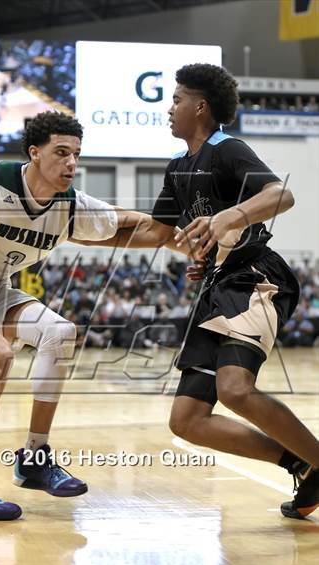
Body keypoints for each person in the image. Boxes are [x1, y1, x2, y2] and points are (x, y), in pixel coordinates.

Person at [0, 111, 183, 521]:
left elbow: (138, 228)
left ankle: (34, 458)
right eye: (61, 152)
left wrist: (188, 242)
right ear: (34, 153)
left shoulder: (70, 208)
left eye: (77, 155)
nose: (71, 163)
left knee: (60, 333)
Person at [82, 64, 318, 520]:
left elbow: (280, 195)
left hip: (254, 277)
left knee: (234, 389)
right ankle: (300, 461)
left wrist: (233, 217)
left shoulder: (227, 149)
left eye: (176, 100)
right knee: (187, 420)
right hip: (217, 288)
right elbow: (154, 232)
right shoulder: (178, 169)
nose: (170, 109)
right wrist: (78, 231)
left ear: (200, 106)